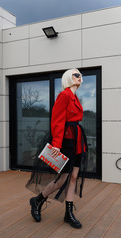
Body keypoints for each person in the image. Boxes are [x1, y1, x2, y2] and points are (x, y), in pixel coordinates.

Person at [26, 68, 88, 229]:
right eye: (76, 74)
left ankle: (68, 213)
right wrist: (57, 145)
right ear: (68, 77)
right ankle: (38, 199)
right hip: (66, 140)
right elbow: (57, 121)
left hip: (77, 140)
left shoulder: (74, 96)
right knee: (63, 178)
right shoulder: (65, 95)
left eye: (80, 75)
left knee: (74, 177)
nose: (80, 77)